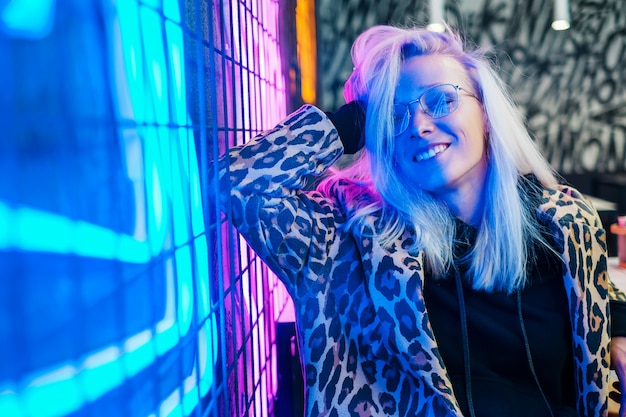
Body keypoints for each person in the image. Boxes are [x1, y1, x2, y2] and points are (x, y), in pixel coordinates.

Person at [212, 24, 626, 417]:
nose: (419, 126)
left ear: (484, 112)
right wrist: (355, 120)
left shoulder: (563, 225)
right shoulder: (343, 241)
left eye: (441, 99)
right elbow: (237, 183)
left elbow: (594, 294)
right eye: (394, 116)